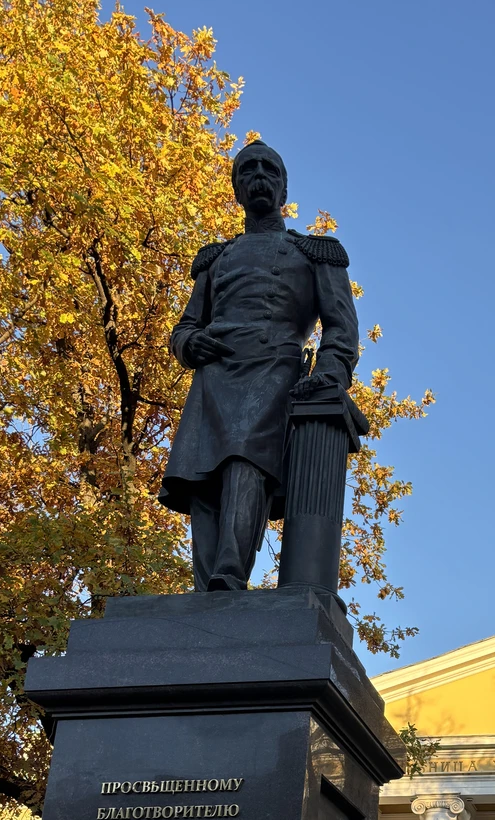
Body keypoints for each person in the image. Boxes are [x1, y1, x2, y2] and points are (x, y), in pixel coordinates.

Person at [158, 140, 359, 590]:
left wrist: (327, 376)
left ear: (284, 187)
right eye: (248, 170)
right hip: (215, 372)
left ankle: (229, 570)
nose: (259, 177)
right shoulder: (215, 259)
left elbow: (341, 329)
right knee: (203, 476)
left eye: (270, 170)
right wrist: (190, 343)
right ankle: (207, 583)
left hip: (275, 368)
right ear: (236, 188)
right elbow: (186, 326)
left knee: (244, 457)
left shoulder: (315, 252)